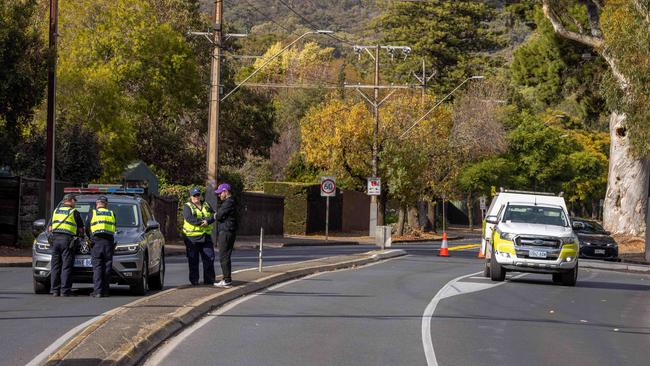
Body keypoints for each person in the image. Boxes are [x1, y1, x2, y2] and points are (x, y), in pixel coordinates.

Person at [49, 194, 84, 297]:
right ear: (71, 201)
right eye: (75, 201)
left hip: (55, 240)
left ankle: (55, 290)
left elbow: (50, 228)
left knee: (55, 266)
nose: (75, 203)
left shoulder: (56, 211)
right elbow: (81, 230)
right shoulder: (74, 212)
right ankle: (65, 290)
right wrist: (80, 235)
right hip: (67, 241)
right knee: (66, 266)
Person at [182, 187, 216, 285]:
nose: (197, 197)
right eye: (194, 195)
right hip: (192, 238)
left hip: (206, 236)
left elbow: (213, 215)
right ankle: (194, 281)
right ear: (191, 196)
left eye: (198, 195)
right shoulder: (187, 206)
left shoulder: (206, 204)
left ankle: (209, 280)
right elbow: (189, 218)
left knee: (209, 258)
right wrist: (202, 223)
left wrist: (208, 221)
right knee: (193, 260)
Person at [85, 196, 116, 298]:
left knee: (97, 268)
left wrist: (90, 238)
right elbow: (114, 227)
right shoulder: (111, 213)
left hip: (96, 243)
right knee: (107, 267)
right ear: (106, 204)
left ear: (97, 204)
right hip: (108, 243)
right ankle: (106, 291)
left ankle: (97, 291)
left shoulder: (92, 213)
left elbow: (87, 228)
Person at [214, 183, 238, 288]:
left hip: (226, 231)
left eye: (220, 193)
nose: (219, 195)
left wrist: (217, 215)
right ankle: (226, 278)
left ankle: (227, 280)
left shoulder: (228, 202)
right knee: (225, 255)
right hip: (229, 230)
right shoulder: (231, 202)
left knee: (223, 256)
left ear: (225, 191)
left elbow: (219, 215)